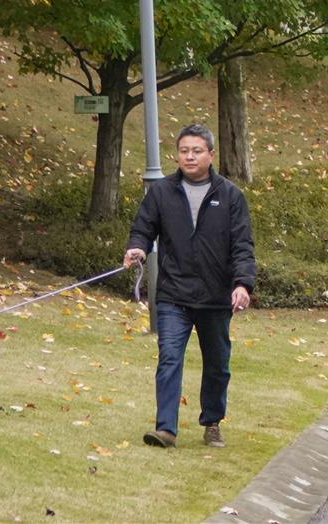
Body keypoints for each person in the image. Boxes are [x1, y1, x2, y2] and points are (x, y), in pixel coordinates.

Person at [124, 124, 256, 450]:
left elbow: (242, 246)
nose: (190, 156)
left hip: (215, 297)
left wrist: (242, 284)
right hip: (173, 294)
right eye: (184, 150)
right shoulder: (161, 192)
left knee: (217, 363)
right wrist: (137, 247)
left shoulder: (230, 196)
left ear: (211, 155)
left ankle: (212, 422)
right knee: (169, 357)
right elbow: (143, 227)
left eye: (197, 151)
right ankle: (165, 429)